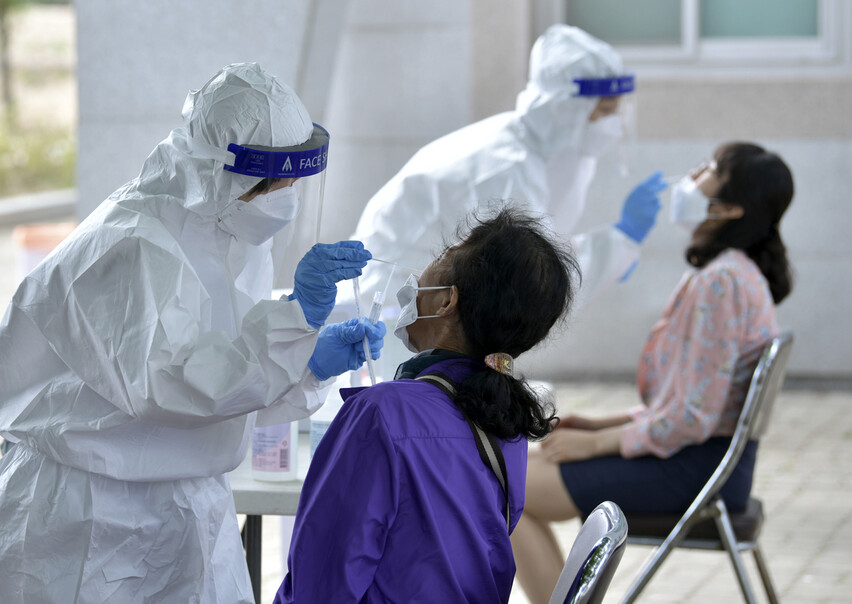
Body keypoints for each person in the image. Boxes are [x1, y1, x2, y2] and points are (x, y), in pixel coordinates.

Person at [0, 62, 385, 603]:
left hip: (186, 507)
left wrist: (304, 363)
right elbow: (173, 390)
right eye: (274, 182)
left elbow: (221, 394)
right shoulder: (132, 245)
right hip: (87, 516)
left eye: (294, 179)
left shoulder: (233, 229)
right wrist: (292, 321)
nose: (286, 194)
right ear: (218, 171)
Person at [511, 142, 795, 603]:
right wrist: (604, 424)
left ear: (729, 208)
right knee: (517, 470)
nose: (694, 172)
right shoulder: (734, 275)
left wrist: (597, 443)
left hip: (693, 469)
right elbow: (690, 404)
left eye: (711, 169)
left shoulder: (721, 283)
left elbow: (690, 419)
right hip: (703, 461)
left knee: (505, 489)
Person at [273, 208, 581, 603]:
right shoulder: (506, 422)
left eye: (437, 260)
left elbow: (321, 584)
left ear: (448, 300)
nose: (416, 278)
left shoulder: (381, 413)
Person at [346, 24, 666, 316]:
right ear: (565, 110)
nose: (612, 125)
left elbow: (540, 246)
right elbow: (533, 283)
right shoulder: (507, 170)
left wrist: (613, 246)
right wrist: (619, 242)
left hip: (421, 304)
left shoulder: (524, 150)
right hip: (397, 310)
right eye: (605, 111)